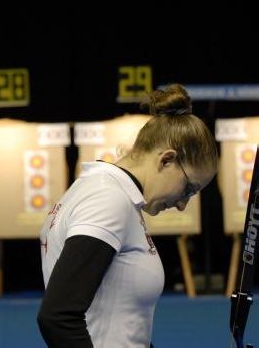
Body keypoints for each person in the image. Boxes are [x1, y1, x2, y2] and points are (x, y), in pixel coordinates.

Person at [37, 83, 218, 348]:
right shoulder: (107, 199)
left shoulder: (111, 194)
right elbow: (57, 318)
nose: (183, 205)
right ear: (166, 160)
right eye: (189, 188)